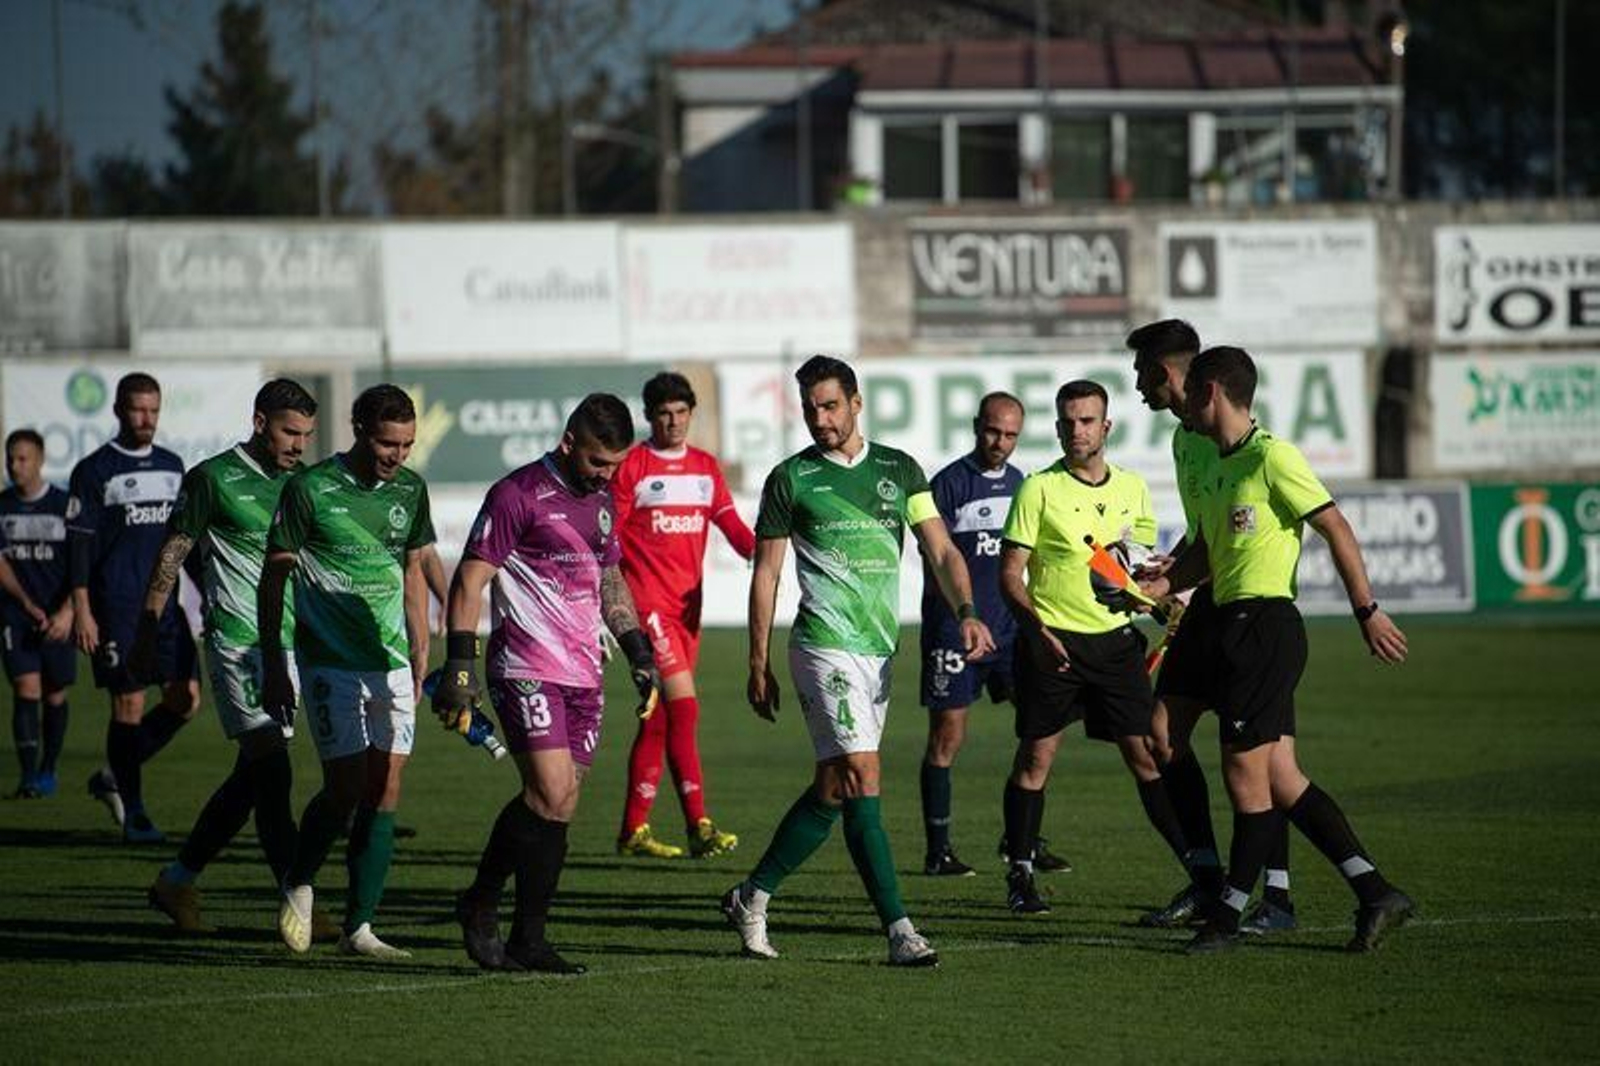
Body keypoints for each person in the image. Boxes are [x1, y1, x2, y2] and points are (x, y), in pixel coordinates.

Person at [1137, 345, 1413, 953]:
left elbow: (1335, 525)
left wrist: (1366, 609)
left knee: (1247, 778)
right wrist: (1156, 586)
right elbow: (1209, 552)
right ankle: (1375, 892)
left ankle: (1230, 913)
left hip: (1265, 627)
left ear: (1211, 393)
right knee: (1273, 776)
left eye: (1192, 395)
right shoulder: (1218, 462)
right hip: (1225, 622)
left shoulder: (1272, 457)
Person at [721, 355, 994, 968]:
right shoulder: (792, 478)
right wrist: (756, 662)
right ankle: (900, 930)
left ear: (856, 403)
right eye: (811, 409)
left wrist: (968, 610)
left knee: (836, 786)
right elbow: (765, 575)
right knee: (864, 775)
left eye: (830, 406)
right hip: (822, 644)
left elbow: (942, 550)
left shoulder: (899, 469)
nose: (820, 419)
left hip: (876, 652)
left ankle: (751, 895)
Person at [437, 393, 660, 975]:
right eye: (596, 463)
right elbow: (469, 582)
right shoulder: (516, 495)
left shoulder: (604, 501)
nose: (606, 475)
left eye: (614, 465)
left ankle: (525, 937)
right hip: (525, 665)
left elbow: (610, 579)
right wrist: (461, 666)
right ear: (568, 444)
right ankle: (483, 901)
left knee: (559, 805)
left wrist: (639, 650)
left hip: (585, 671)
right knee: (550, 790)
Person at [136, 380, 334, 939]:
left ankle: (177, 880)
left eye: (306, 435)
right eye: (289, 431)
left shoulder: (301, 485)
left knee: (252, 778)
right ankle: (299, 900)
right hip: (236, 644)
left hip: (293, 646)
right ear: (258, 421)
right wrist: (148, 628)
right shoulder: (213, 478)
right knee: (272, 772)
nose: (298, 444)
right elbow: (173, 551)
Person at [995, 380, 1200, 915]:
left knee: (1149, 755)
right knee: (1036, 758)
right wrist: (1034, 628)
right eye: (1067, 422)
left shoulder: (1133, 489)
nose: (1076, 430)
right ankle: (1020, 873)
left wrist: (1161, 599)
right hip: (1052, 646)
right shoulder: (1038, 489)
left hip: (1115, 649)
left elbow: (1140, 567)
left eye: (1086, 421)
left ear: (1106, 427)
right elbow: (1010, 575)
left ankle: (1199, 873)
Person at [1128, 319, 1296, 933]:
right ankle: (1206, 878)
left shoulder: (1236, 437)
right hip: (1209, 600)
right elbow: (1205, 533)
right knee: (1162, 735)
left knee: (1265, 758)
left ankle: (1275, 894)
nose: (1138, 386)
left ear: (1168, 373)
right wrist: (1164, 574)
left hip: (1252, 611)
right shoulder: (1182, 440)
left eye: (1143, 372)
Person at [263, 384, 434, 959]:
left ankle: (360, 928)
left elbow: (411, 570)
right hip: (329, 659)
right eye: (389, 443)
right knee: (344, 788)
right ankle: (299, 879)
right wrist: (272, 656)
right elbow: (275, 576)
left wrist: (421, 641)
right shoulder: (309, 489)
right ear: (360, 429)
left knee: (386, 786)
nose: (398, 456)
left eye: (407, 445)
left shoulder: (411, 490)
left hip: (389, 661)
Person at [917, 392, 1070, 876]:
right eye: (992, 431)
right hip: (954, 632)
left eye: (1010, 435)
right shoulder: (948, 485)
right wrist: (961, 617)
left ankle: (1020, 838)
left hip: (1010, 633)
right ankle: (938, 850)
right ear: (975, 426)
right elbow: (934, 562)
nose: (1000, 442)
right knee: (948, 737)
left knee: (1040, 730)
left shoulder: (1024, 486)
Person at [613, 372, 755, 860]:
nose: (673, 422)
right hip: (647, 607)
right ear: (650, 417)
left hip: (687, 612)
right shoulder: (633, 466)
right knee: (686, 710)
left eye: (681, 412)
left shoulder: (704, 468)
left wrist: (766, 545)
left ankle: (633, 829)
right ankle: (700, 824)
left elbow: (732, 526)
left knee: (659, 720)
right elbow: (608, 538)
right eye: (663, 414)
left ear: (692, 414)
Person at [66, 372, 200, 842]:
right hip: (118, 606)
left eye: (154, 410)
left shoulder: (172, 464)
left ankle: (113, 777)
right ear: (119, 410)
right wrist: (81, 607)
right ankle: (136, 811)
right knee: (129, 702)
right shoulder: (95, 469)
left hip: (166, 607)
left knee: (185, 700)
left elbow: (187, 541)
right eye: (138, 410)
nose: (147, 419)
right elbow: (79, 548)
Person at [1, 430, 76, 800]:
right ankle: (29, 776)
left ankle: (49, 768)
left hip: (58, 616)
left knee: (54, 693)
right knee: (25, 687)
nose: (15, 466)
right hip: (16, 615)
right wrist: (26, 605)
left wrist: (68, 611)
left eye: (23, 458)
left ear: (41, 459)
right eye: (10, 458)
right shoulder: (2, 506)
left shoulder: (64, 505)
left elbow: (83, 566)